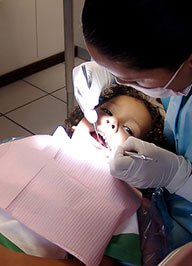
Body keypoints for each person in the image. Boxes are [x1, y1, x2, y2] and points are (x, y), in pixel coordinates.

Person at [0, 85, 165, 266]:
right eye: (107, 111)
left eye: (129, 130)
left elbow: (103, 263)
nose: (111, 122)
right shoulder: (36, 146)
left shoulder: (119, 199)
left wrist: (11, 261)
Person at [73, 0, 192, 264]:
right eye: (106, 109)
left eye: (136, 80)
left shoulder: (133, 216)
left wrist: (180, 177)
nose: (110, 122)